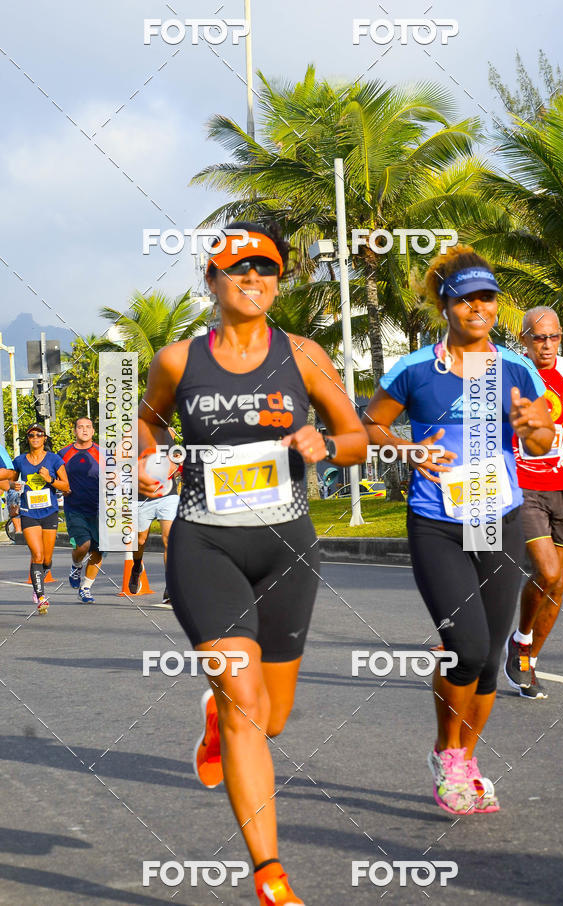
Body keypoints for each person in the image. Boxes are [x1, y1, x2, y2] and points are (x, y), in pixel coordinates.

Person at [137, 221, 367, 904]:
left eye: (266, 269)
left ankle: (219, 715)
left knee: (269, 720)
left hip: (288, 547)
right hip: (205, 543)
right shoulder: (178, 361)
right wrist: (149, 460)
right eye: (238, 269)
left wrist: (324, 441)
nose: (253, 280)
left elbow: (356, 436)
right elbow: (149, 421)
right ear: (210, 280)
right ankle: (271, 875)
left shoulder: (303, 354)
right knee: (245, 708)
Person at [363, 245, 554, 816]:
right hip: (438, 522)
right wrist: (406, 449)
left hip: (497, 518)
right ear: (445, 305)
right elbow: (371, 425)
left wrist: (533, 427)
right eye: (467, 298)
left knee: (489, 657)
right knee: (464, 648)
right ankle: (447, 755)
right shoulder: (415, 370)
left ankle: (462, 759)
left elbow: (542, 442)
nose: (479, 308)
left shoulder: (517, 370)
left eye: (488, 299)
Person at [504, 307, 563, 699]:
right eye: (538, 337)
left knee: (557, 583)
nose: (547, 345)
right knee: (546, 569)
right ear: (524, 339)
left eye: (554, 337)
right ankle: (520, 641)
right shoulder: (507, 371)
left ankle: (526, 656)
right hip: (522, 484)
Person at [0, 424, 70, 613]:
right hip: (28, 512)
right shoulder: (20, 460)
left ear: (44, 438)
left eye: (39, 434)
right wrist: (13, 485)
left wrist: (50, 480)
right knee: (37, 555)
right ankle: (40, 596)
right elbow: (10, 480)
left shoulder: (54, 459)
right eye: (32, 435)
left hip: (49, 513)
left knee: (47, 559)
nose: (36, 437)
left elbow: (66, 487)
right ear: (28, 439)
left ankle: (42, 571)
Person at [130, 427, 180, 607]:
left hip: (167, 496)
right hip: (142, 498)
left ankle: (171, 586)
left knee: (169, 540)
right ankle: (137, 566)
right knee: (140, 540)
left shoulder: (169, 434)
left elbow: (175, 462)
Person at [58, 416, 103, 604]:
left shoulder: (103, 453)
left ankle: (86, 588)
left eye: (88, 427)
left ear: (93, 431)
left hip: (100, 509)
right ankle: (76, 565)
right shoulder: (63, 453)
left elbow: (115, 478)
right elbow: (56, 478)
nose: (84, 430)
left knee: (99, 550)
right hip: (74, 508)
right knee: (83, 545)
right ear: (75, 431)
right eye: (80, 427)